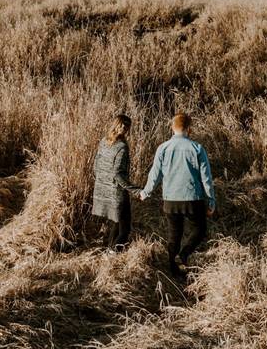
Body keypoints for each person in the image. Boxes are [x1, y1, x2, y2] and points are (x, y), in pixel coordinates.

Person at [140, 112, 216, 277]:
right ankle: (184, 254)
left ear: (172, 128)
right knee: (200, 229)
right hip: (192, 199)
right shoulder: (197, 148)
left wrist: (146, 192)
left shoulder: (163, 148)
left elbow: (155, 174)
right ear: (189, 129)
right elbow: (206, 178)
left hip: (170, 200)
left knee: (174, 235)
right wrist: (211, 201)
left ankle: (173, 271)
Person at [91, 114, 142, 253]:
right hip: (116, 191)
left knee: (114, 221)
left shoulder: (103, 141)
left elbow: (95, 166)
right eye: (125, 126)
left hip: (103, 188)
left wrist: (102, 183)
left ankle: (109, 250)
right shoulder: (121, 147)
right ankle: (113, 252)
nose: (125, 129)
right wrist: (136, 190)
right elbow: (118, 174)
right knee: (124, 226)